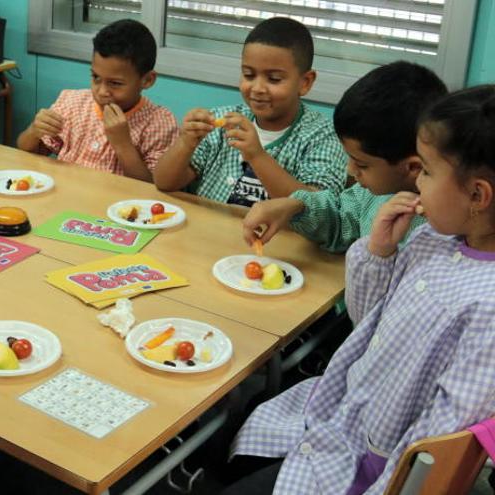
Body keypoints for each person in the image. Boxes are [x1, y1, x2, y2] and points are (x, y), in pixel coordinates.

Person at [225, 85, 495, 494]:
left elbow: (440, 442)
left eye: (425, 170)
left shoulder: (488, 305)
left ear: (477, 195)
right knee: (237, 442)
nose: (416, 182)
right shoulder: (432, 241)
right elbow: (368, 323)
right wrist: (379, 251)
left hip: (376, 465)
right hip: (346, 413)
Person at [241, 61, 447, 252]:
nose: (350, 170)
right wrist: (297, 206)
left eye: (362, 164)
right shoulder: (370, 195)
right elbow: (339, 220)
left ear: (413, 168)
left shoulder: (445, 226)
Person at [154, 17, 346, 205]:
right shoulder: (222, 121)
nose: (258, 88)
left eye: (274, 79)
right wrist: (185, 143)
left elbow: (317, 209)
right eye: (249, 75)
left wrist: (257, 156)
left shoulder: (321, 136)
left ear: (305, 83)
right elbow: (164, 182)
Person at [16, 18, 178, 180]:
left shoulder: (159, 122)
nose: (101, 92)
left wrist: (123, 145)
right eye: (96, 77)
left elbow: (152, 187)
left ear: (147, 80)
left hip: (118, 204)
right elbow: (26, 152)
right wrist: (34, 130)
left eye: (115, 83)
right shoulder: (72, 102)